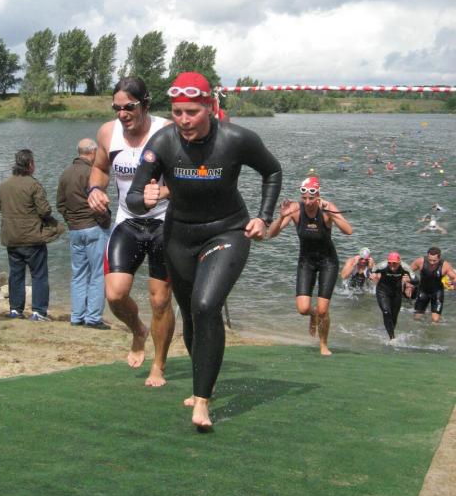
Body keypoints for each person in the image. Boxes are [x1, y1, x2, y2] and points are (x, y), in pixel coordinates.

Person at [127, 71, 282, 430]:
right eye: (178, 112)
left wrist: (264, 217)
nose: (184, 120)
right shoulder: (162, 142)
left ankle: (202, 402)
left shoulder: (236, 139)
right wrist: (144, 198)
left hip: (228, 230)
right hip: (179, 236)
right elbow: (134, 196)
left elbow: (272, 171)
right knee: (191, 314)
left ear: (210, 107)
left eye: (192, 112)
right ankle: (203, 382)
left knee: (206, 304)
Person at [87, 76, 175, 387]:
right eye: (117, 108)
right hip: (128, 220)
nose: (122, 114)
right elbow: (99, 168)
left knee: (160, 301)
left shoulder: (167, 131)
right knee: (115, 294)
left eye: (129, 107)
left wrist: (162, 193)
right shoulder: (107, 133)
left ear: (145, 104)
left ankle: (159, 365)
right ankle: (138, 329)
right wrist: (95, 190)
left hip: (165, 221)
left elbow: (188, 176)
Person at [267, 175, 353, 356]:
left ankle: (323, 345)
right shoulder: (295, 210)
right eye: (304, 198)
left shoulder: (327, 208)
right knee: (303, 309)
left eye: (311, 198)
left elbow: (348, 230)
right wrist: (281, 216)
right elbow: (271, 234)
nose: (307, 202)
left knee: (323, 310)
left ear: (318, 195)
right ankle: (313, 315)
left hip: (328, 262)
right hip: (306, 262)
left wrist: (331, 213)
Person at [0, 149, 64, 321]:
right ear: (30, 165)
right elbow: (45, 210)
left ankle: (15, 310)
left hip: (11, 237)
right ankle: (39, 311)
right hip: (32, 238)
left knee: (16, 274)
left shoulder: (4, 185)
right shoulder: (33, 185)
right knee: (39, 275)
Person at [57, 138, 111, 329]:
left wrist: (71, 220)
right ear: (93, 152)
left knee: (78, 274)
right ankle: (93, 317)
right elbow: (100, 203)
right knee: (98, 274)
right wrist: (105, 222)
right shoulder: (92, 174)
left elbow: (60, 204)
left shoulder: (65, 173)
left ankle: (76, 316)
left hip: (75, 229)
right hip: (93, 227)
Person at [371, 252, 416, 342]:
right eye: (390, 263)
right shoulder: (382, 266)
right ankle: (392, 338)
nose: (392, 266)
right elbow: (371, 271)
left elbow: (417, 280)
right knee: (386, 312)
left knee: (393, 317)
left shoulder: (405, 267)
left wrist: (410, 280)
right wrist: (372, 275)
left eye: (394, 263)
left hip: (396, 293)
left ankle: (389, 332)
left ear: (399, 262)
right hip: (382, 292)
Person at [409, 247, 456, 324]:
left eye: (434, 261)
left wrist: (454, 284)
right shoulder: (420, 261)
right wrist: (408, 284)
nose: (432, 263)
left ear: (439, 258)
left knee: (435, 320)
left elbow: (454, 277)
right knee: (417, 318)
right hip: (423, 291)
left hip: (437, 292)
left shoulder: (445, 265)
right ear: (427, 256)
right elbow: (408, 272)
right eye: (430, 260)